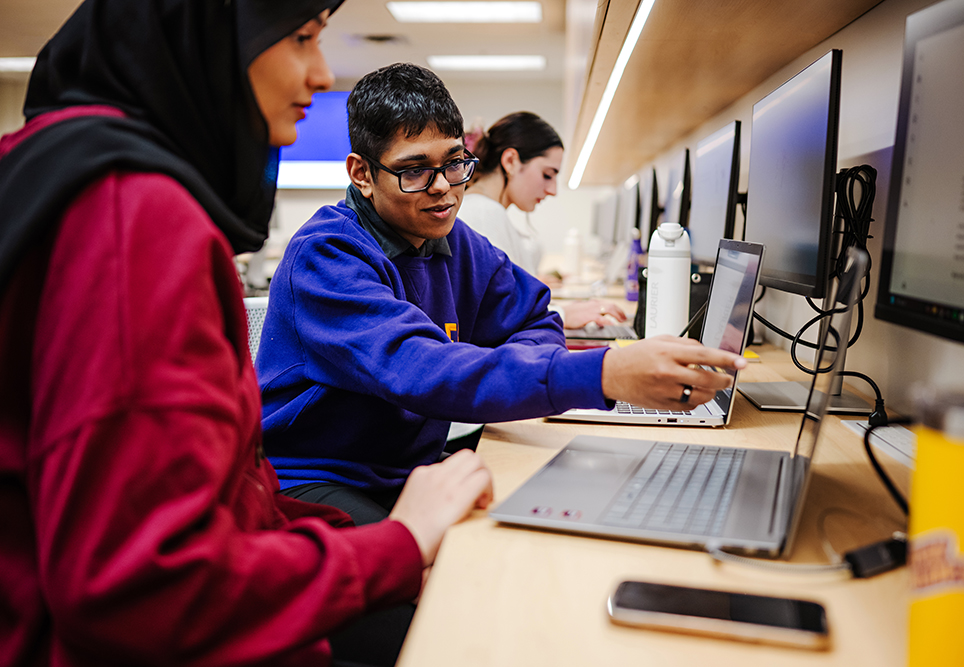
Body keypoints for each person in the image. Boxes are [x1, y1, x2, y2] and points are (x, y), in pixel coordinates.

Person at [0, 3, 492, 666]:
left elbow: (218, 502)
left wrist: (373, 545)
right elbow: (141, 586)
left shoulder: (58, 165)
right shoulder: (132, 213)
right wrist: (398, 543)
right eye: (300, 39)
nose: (320, 74)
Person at [256, 63, 746, 526]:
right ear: (362, 174)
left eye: (454, 164)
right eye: (414, 171)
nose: (443, 190)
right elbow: (423, 371)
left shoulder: (452, 240)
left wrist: (530, 371)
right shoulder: (327, 257)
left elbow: (535, 318)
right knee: (431, 584)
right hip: (316, 478)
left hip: (409, 466)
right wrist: (604, 373)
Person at [462, 111, 626, 329]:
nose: (553, 190)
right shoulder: (484, 212)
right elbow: (499, 315)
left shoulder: (485, 210)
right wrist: (563, 314)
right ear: (510, 161)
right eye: (547, 175)